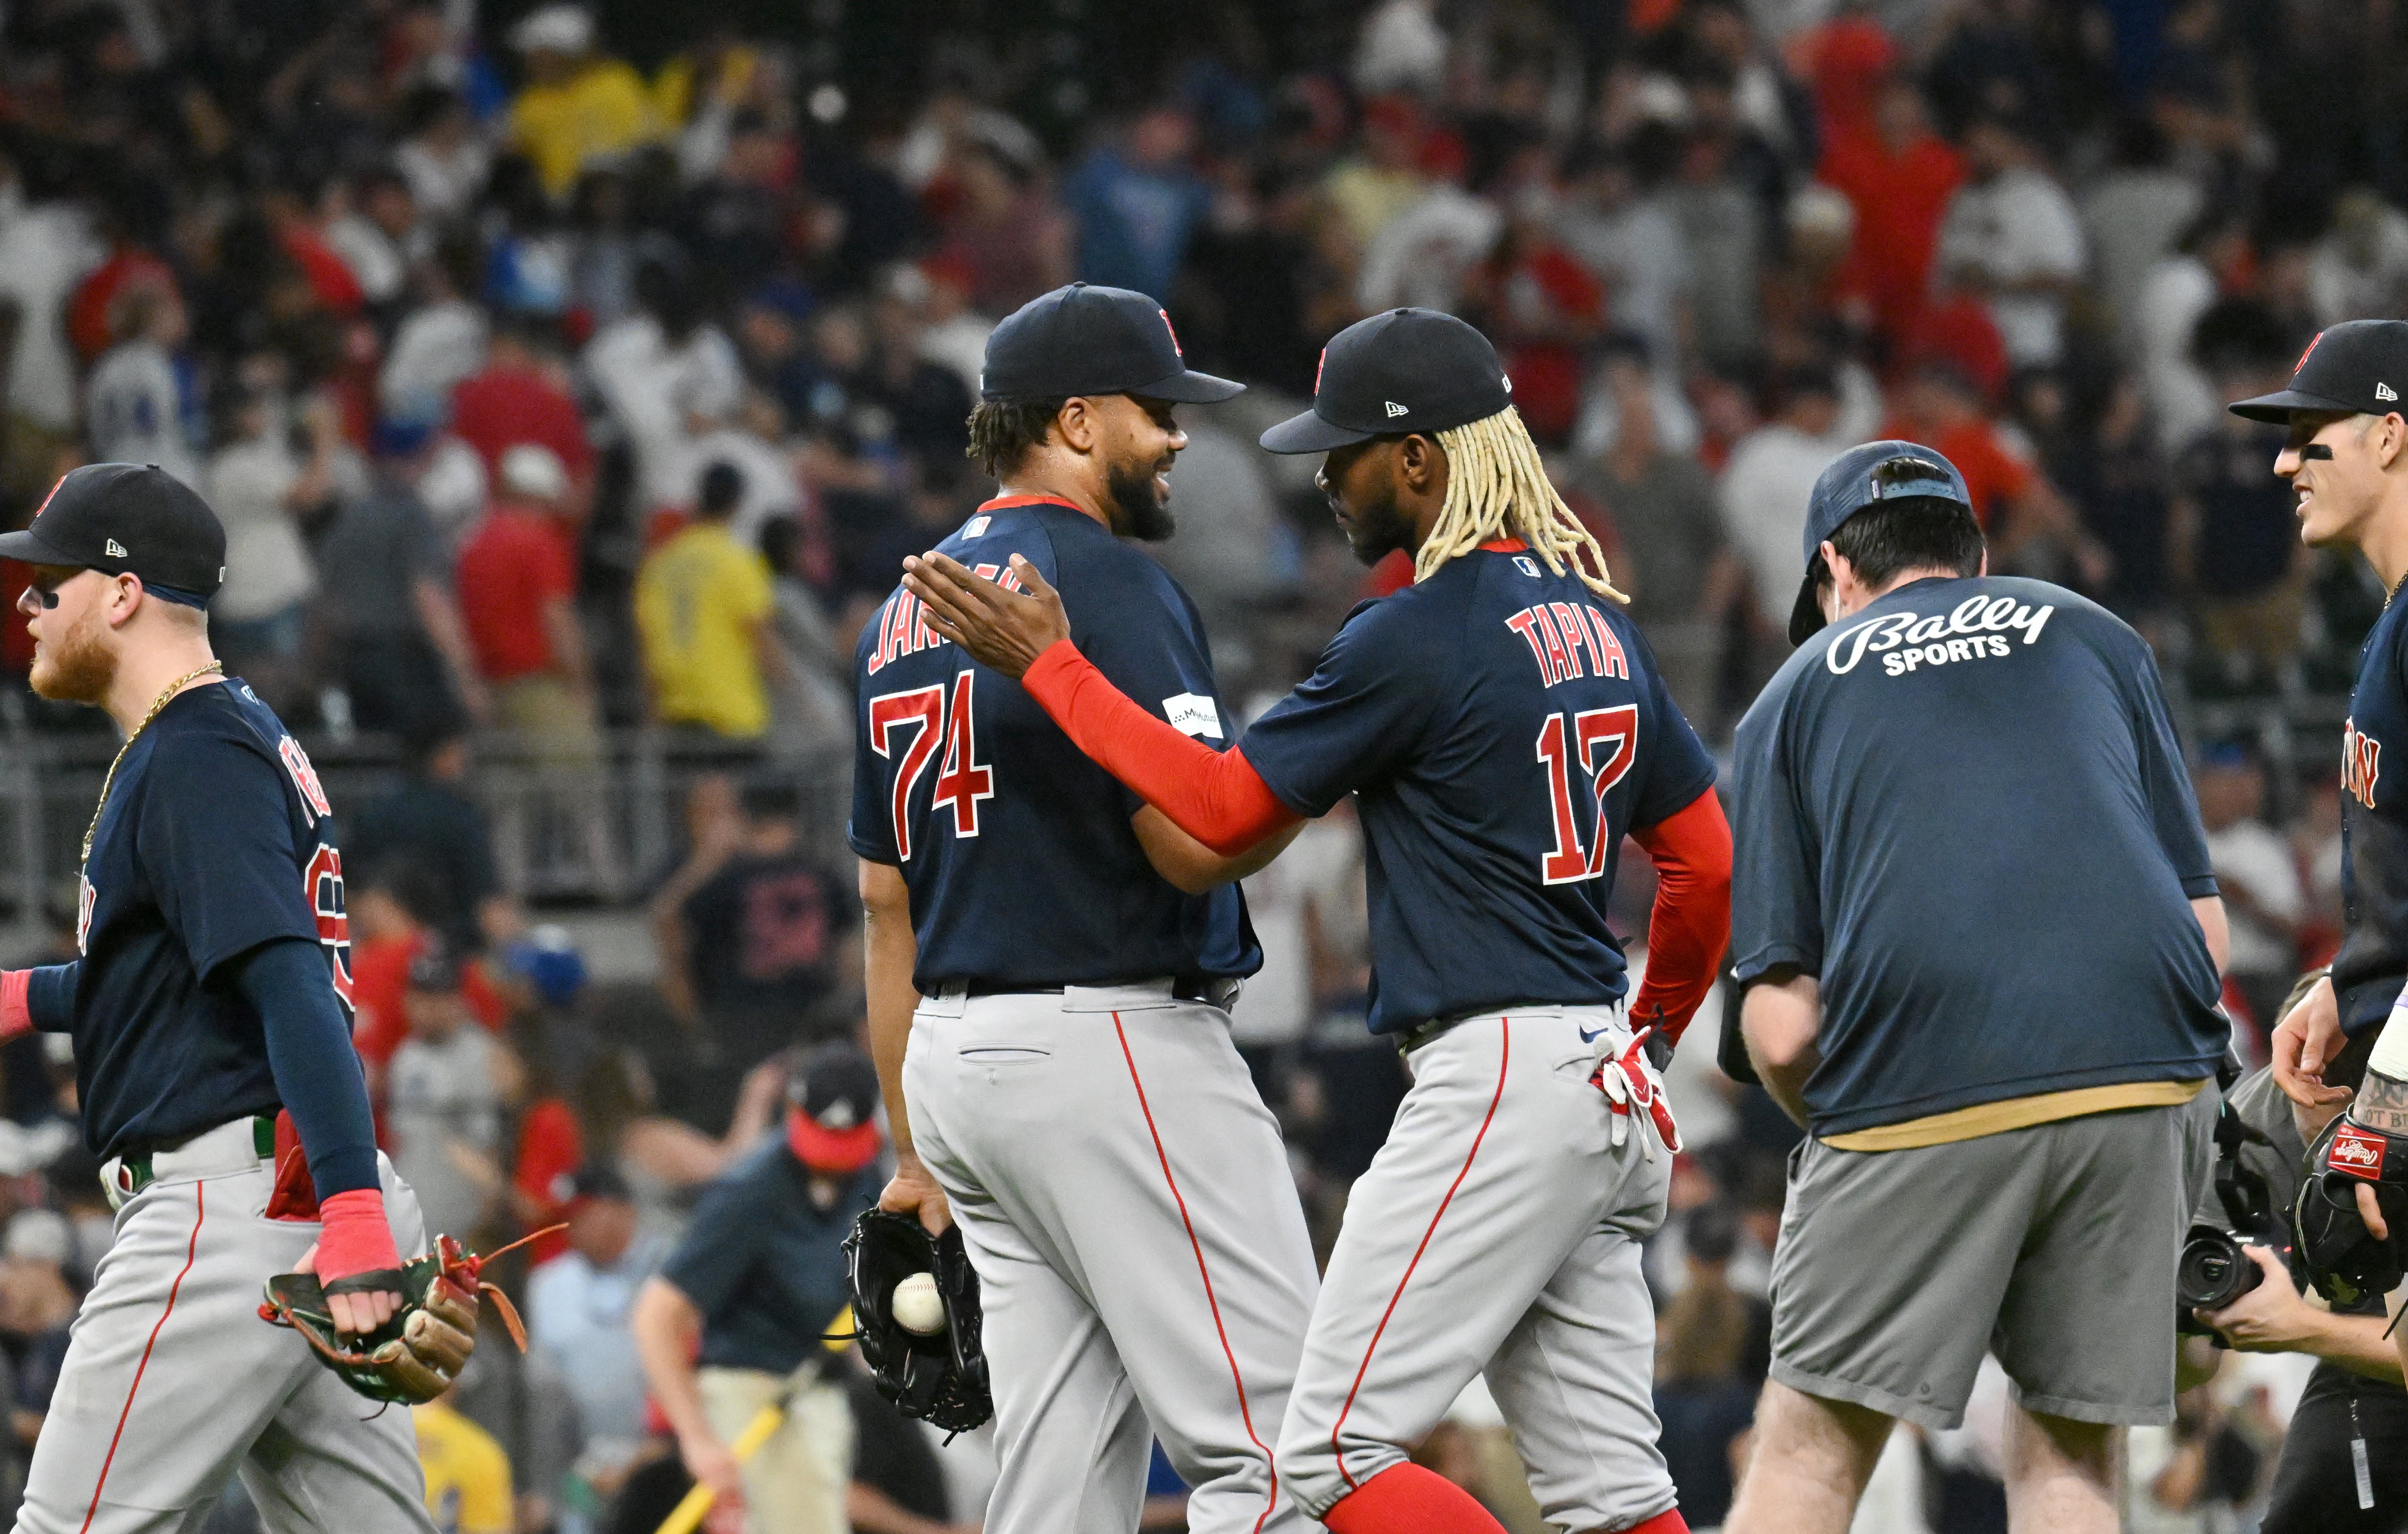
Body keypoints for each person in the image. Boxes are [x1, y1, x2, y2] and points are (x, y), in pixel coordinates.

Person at [903, 306, 1730, 1534]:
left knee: (1326, 1457)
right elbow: (1704, 866)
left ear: (1417, 457)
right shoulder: (1596, 621)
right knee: (1618, 1497)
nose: (1324, 479)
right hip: (1603, 1071)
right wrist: (1649, 1044)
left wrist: (1056, 671)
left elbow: (1225, 814)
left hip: (1497, 1074)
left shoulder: (1413, 631)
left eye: (1342, 452)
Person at [853, 283, 1320, 1534]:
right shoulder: (1093, 578)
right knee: (1285, 1446)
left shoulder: (909, 605)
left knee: (1055, 1478)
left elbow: (883, 905)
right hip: (1112, 1040)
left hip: (963, 1073)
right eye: (1153, 411)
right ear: (1074, 421)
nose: (1175, 437)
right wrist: (1309, 781)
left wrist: (910, 1150)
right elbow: (1193, 845)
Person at [1719, 442, 2230, 1534]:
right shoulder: (2097, 633)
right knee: (2070, 1453)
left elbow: (1778, 1025)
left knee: (1809, 1449)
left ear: (1831, 573)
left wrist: (1855, 1130)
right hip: (2141, 1075)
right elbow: (2204, 932)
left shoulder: (1793, 693)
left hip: (1916, 1080)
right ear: (1979, 554)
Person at [0, 463, 446, 1532]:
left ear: (121, 594)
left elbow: (290, 985)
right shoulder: (234, 731)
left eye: (48, 579)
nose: (26, 601)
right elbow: (190, 975)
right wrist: (29, 995)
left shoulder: (192, 753)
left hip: (234, 1203)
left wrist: (346, 1208)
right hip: (284, 1186)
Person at [2178, 974, 2408, 1532]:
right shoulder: (2255, 1124)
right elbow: (2184, 1350)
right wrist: (2198, 1325)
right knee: (2308, 1506)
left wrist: (2304, 1327)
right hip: (2371, 1323)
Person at [627, 1041, 881, 1534]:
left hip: (816, 1388)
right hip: (750, 1399)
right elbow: (655, 1316)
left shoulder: (866, 1175)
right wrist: (698, 1439)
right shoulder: (751, 1191)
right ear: (792, 1111)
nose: (833, 1161)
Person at [635, 460, 783, 759]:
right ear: (737, 503)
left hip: (674, 705)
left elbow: (646, 637)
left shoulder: (661, 563)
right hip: (729, 708)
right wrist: (791, 691)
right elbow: (760, 633)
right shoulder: (737, 560)